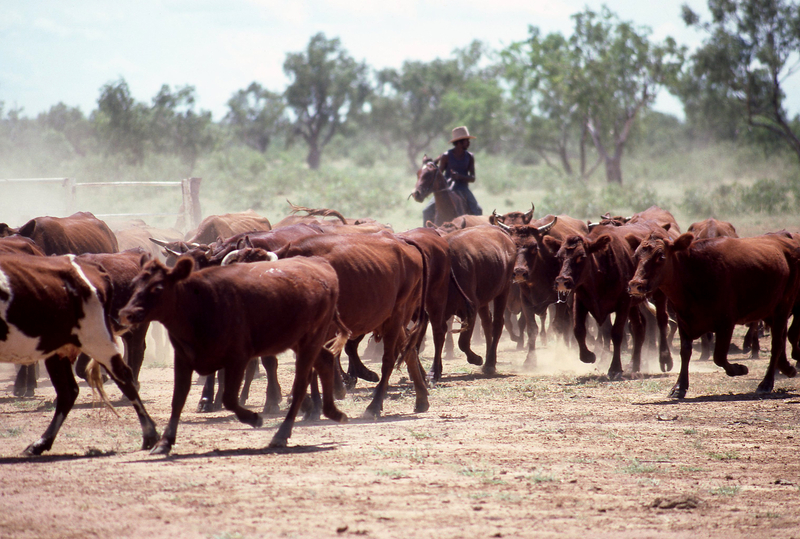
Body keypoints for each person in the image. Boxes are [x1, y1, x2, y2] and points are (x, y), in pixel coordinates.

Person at [422, 126, 483, 225]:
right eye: (466, 140)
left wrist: (460, 177)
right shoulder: (446, 156)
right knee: (427, 210)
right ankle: (426, 234)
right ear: (459, 142)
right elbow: (439, 174)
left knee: (477, 210)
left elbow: (472, 178)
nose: (469, 143)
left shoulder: (470, 156)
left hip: (463, 188)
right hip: (446, 188)